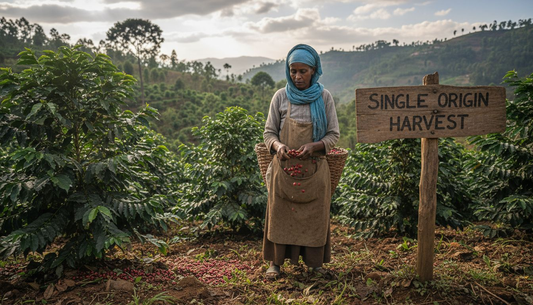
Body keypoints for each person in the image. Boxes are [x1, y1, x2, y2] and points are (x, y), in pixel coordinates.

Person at [262, 44, 340, 278]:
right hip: (284, 170)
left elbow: (333, 135)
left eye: (303, 71)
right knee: (280, 214)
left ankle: (314, 263)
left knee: (314, 217)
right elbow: (269, 134)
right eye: (293, 71)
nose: (297, 76)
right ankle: (275, 263)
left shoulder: (324, 98)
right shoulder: (280, 97)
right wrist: (279, 146)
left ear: (314, 71)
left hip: (314, 171)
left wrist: (314, 146)